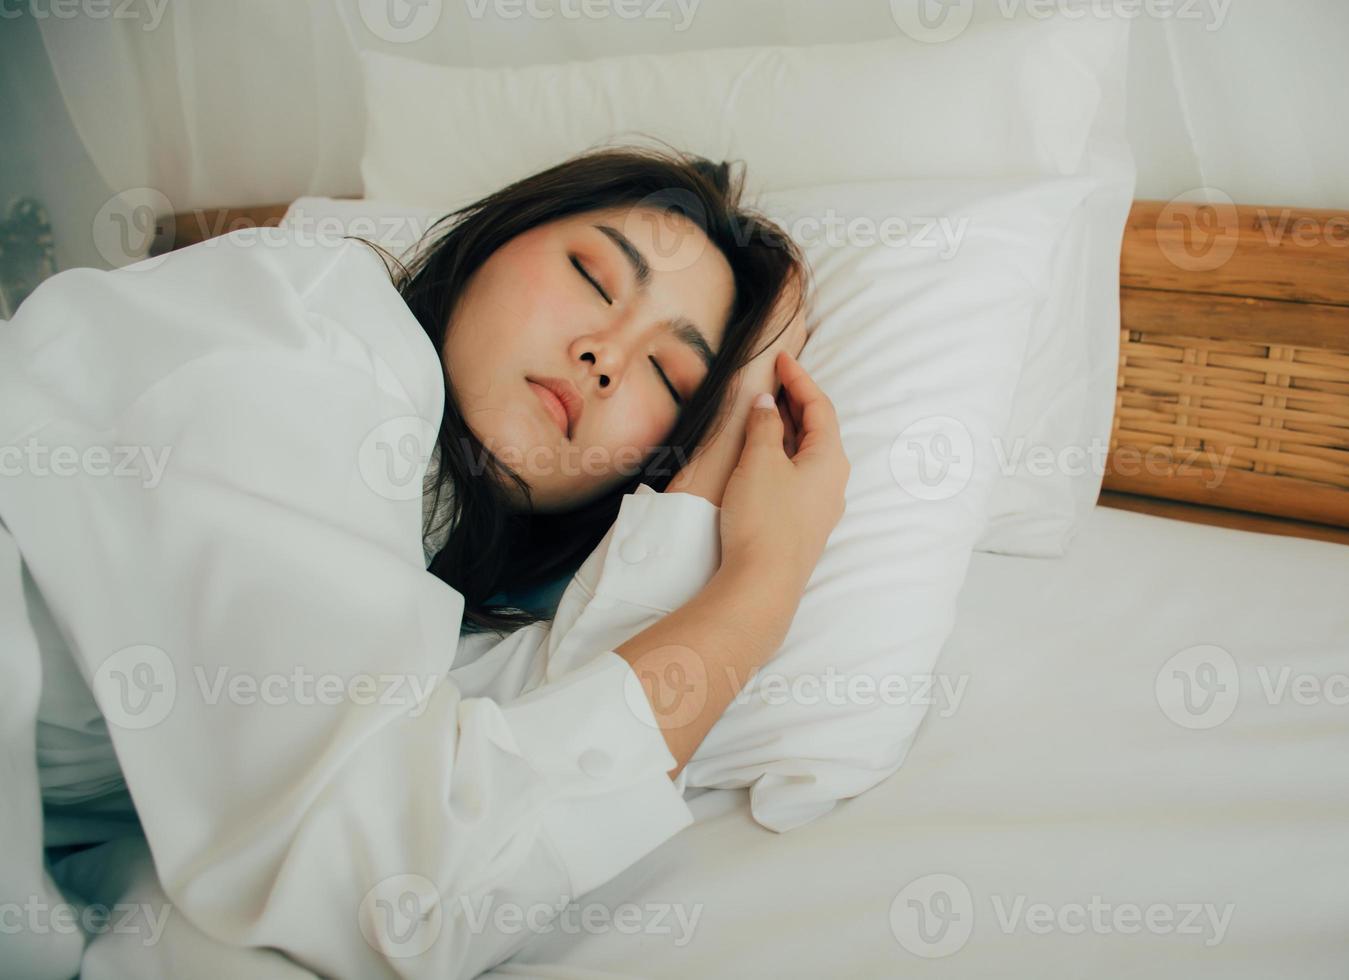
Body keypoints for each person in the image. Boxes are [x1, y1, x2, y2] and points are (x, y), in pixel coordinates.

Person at [0, 146, 848, 978]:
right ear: (493, 238)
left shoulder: (428, 546)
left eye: (667, 374)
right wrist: (764, 582)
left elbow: (510, 764)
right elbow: (394, 892)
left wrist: (714, 467)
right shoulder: (308, 341)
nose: (607, 354)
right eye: (593, 276)